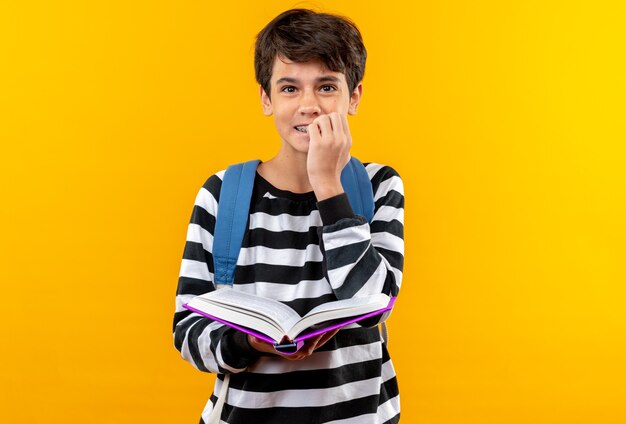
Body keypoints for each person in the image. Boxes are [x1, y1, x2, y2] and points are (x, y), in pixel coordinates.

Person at [173, 8, 404, 424]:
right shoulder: (222, 194)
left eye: (327, 86)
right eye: (290, 88)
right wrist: (249, 344)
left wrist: (328, 185)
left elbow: (376, 304)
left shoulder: (378, 185)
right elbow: (188, 332)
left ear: (354, 97)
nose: (309, 105)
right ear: (267, 98)